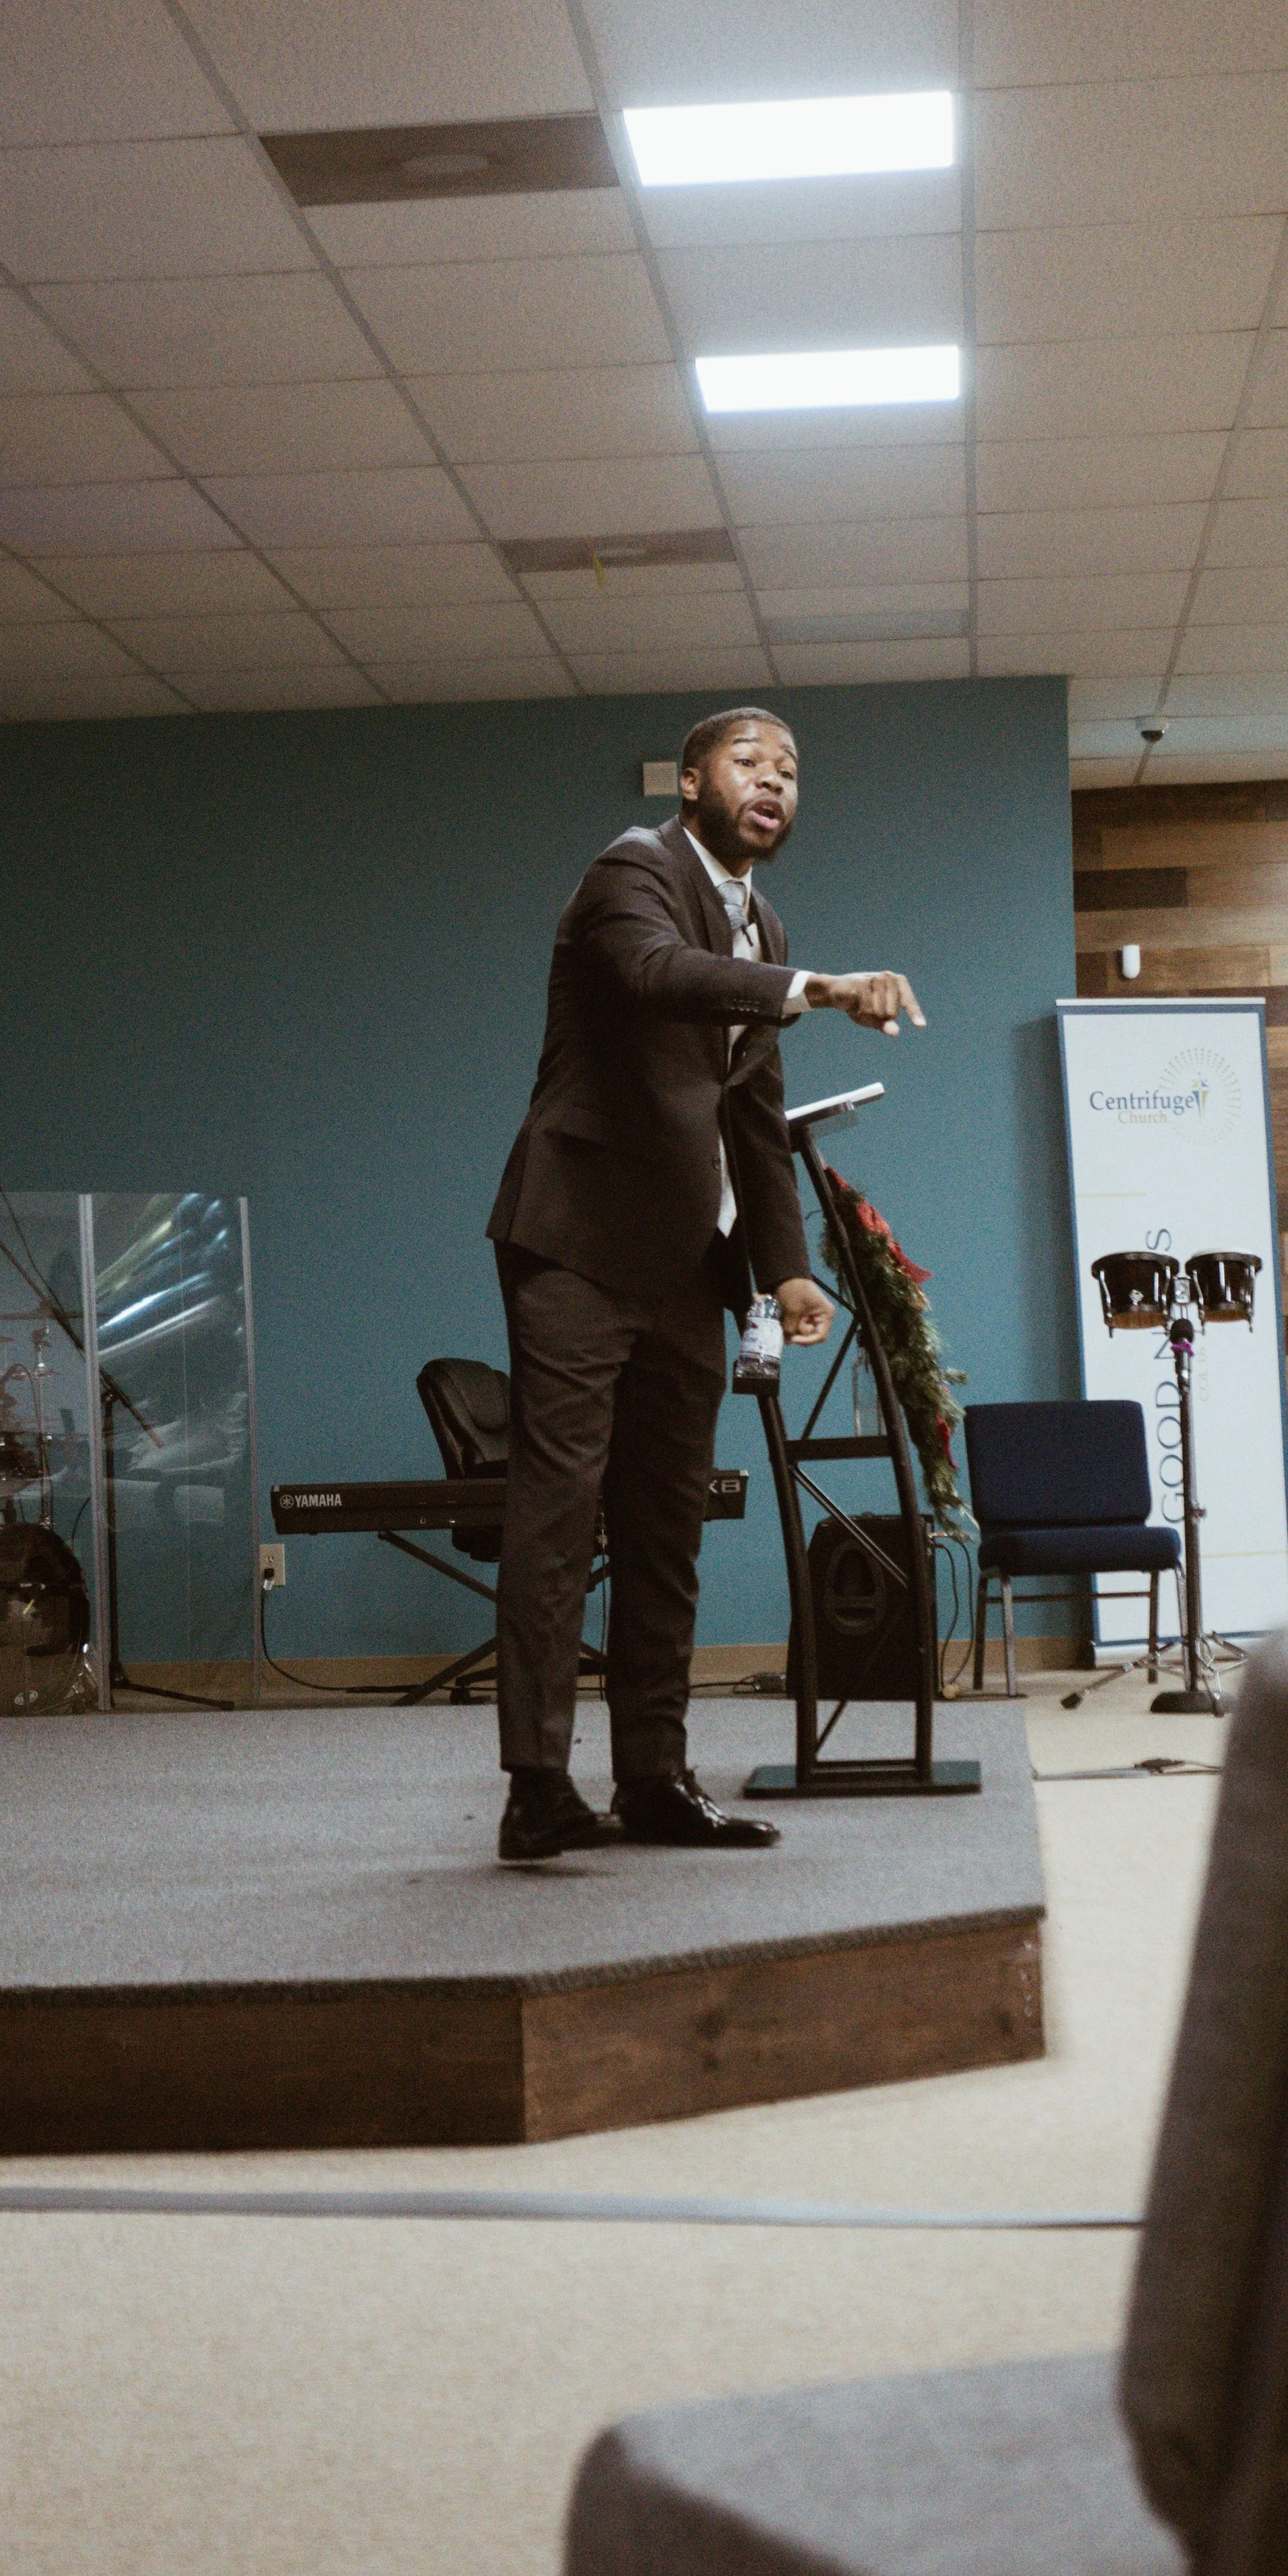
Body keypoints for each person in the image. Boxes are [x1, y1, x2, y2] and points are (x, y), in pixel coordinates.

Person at [485, 706, 924, 1863]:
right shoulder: (629, 871)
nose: (774, 781)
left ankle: (655, 1778)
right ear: (690, 782)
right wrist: (822, 985)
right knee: (558, 1510)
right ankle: (536, 1785)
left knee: (667, 1523)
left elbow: (750, 1111)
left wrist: (783, 1269)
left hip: (687, 1264)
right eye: (750, 762)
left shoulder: (763, 920)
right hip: (575, 1242)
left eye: (790, 770)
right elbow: (654, 974)